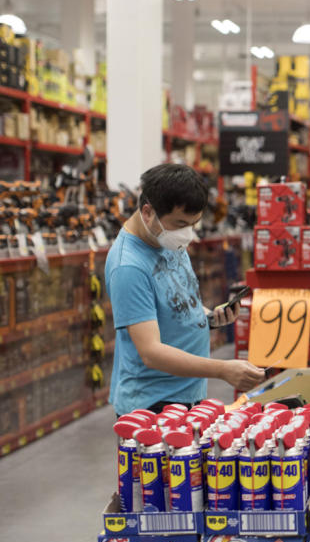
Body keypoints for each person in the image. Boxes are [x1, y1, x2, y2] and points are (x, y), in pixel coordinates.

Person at [106, 164, 265, 416]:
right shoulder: (128, 266)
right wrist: (223, 370)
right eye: (180, 223)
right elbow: (151, 353)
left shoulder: (165, 236)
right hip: (151, 406)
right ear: (148, 212)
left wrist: (208, 317)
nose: (187, 234)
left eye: (193, 224)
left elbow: (176, 297)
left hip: (186, 396)